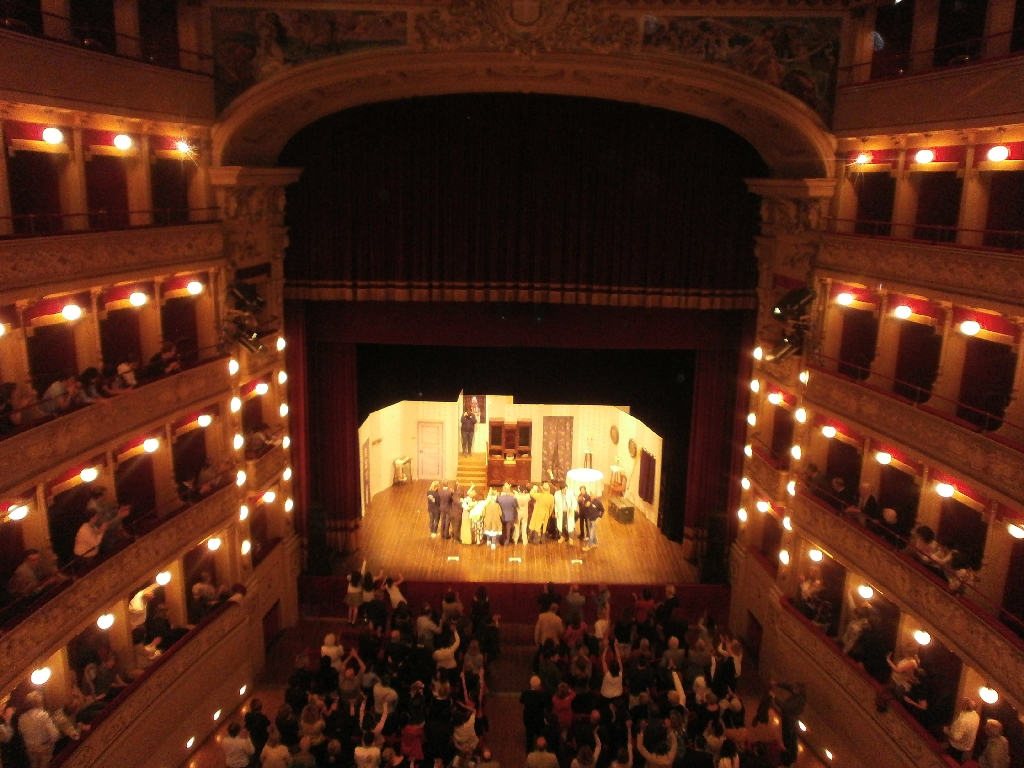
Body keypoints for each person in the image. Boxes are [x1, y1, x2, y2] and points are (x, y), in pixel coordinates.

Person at [19, 691, 60, 768]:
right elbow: (54, 734)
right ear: (38, 702)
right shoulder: (43, 715)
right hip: (44, 747)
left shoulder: (22, 718)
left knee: (34, 765)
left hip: (30, 748)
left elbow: (22, 732)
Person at [944, 697, 980, 762]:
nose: (961, 704)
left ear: (966, 706)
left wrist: (946, 731)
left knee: (951, 760)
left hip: (957, 746)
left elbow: (956, 737)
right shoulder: (976, 716)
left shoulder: (964, 720)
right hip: (966, 745)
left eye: (963, 703)